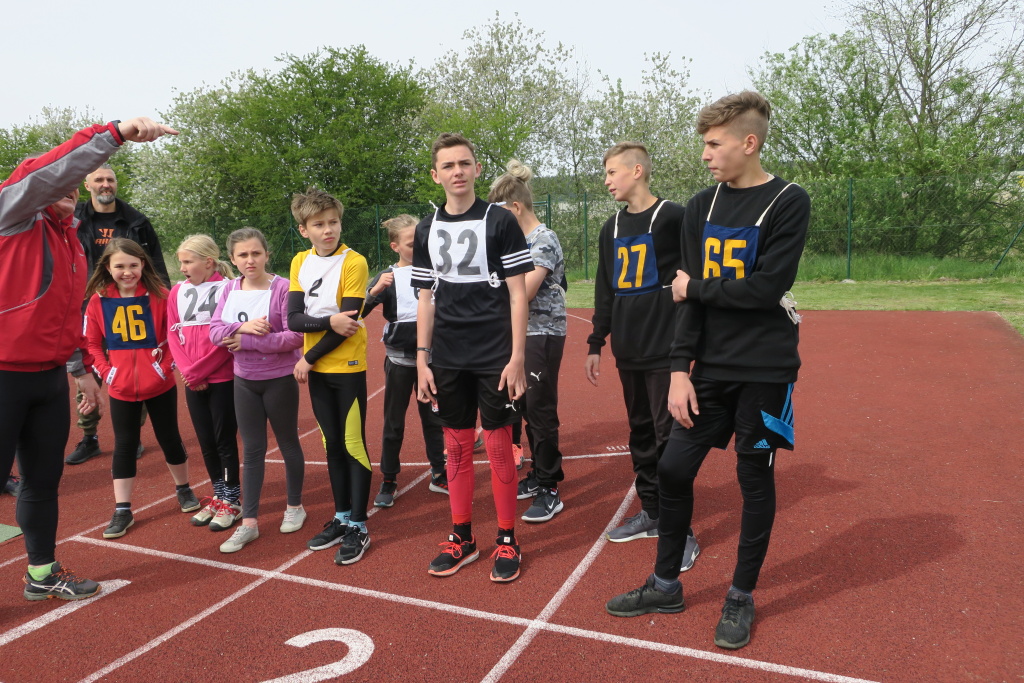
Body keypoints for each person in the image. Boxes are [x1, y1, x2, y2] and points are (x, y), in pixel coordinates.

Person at [605, 91, 810, 651]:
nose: (705, 155)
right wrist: (679, 369)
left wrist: (695, 286)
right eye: (704, 144)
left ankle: (740, 596)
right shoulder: (701, 206)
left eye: (714, 144)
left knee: (753, 477)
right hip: (710, 368)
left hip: (766, 369)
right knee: (673, 468)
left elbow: (766, 289)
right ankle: (665, 584)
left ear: (750, 143)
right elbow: (690, 304)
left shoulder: (789, 201)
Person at [413, 133, 534, 583]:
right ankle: (462, 536)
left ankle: (507, 538)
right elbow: (426, 299)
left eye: (464, 163)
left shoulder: (500, 220)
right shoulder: (425, 228)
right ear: (436, 175)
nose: (458, 171)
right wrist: (422, 359)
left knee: (499, 447)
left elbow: (518, 295)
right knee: (457, 447)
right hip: (447, 355)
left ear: (477, 169)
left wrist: (517, 356)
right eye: (448, 165)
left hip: (494, 354)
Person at [585, 142, 700, 568]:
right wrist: (596, 341)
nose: (606, 181)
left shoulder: (673, 216)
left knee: (670, 438)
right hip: (628, 348)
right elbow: (605, 287)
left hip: (665, 347)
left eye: (612, 172)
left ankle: (680, 529)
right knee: (641, 433)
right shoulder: (610, 228)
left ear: (637, 171)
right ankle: (652, 511)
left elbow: (692, 277)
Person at [84, 238, 199, 539]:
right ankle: (123, 509)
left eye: (133, 265)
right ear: (107, 267)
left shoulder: (160, 295)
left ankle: (184, 488)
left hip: (160, 384)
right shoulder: (98, 300)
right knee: (125, 444)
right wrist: (107, 373)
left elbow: (174, 336)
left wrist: (164, 368)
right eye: (119, 266)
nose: (127, 272)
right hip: (120, 388)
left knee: (169, 437)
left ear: (143, 264)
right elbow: (91, 343)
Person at [287, 188, 371, 566]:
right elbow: (294, 319)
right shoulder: (299, 261)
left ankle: (359, 525)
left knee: (352, 444)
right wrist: (328, 320)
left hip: (346, 368)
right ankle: (341, 516)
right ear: (304, 229)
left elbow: (348, 325)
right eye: (319, 224)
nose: (328, 230)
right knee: (331, 445)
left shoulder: (354, 262)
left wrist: (308, 357)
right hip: (318, 371)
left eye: (333, 222)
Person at [210, 228, 307, 553]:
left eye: (255, 253)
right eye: (242, 255)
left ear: (267, 254)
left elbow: (295, 336)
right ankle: (249, 523)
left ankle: (295, 506)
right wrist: (243, 326)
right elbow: (215, 332)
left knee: (288, 443)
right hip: (244, 381)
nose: (249, 260)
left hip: (279, 379)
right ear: (232, 259)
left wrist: (247, 339)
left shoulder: (283, 288)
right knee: (252, 450)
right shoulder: (229, 288)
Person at [66, 164, 170, 465]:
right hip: (90, 307)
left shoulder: (136, 221)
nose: (105, 184)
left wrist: (164, 298)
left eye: (110, 179)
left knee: (138, 370)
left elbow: (155, 263)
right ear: (87, 185)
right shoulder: (73, 219)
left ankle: (132, 436)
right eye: (98, 179)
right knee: (88, 371)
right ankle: (89, 437)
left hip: (134, 307)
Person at [487, 160, 567, 523]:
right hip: (520, 333)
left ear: (515, 207)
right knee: (523, 407)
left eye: (498, 214)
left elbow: (527, 289)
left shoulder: (542, 239)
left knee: (540, 408)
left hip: (542, 332)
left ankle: (550, 486)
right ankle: (538, 473)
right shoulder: (515, 243)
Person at [362, 214, 447, 507]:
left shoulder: (436, 270)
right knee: (393, 422)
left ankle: (439, 472)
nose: (419, 247)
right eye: (412, 244)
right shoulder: (387, 277)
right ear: (395, 246)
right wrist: (373, 292)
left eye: (423, 241)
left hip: (432, 360)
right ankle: (388, 478)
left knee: (433, 419)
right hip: (399, 361)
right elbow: (358, 313)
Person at [167, 235, 239, 531]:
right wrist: (189, 372)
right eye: (181, 262)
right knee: (206, 442)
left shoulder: (229, 289)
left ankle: (233, 499)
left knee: (224, 441)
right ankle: (219, 495)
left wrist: (199, 372)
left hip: (222, 378)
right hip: (191, 378)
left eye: (187, 262)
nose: (182, 268)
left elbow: (228, 339)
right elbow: (172, 334)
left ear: (208, 262)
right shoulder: (177, 291)